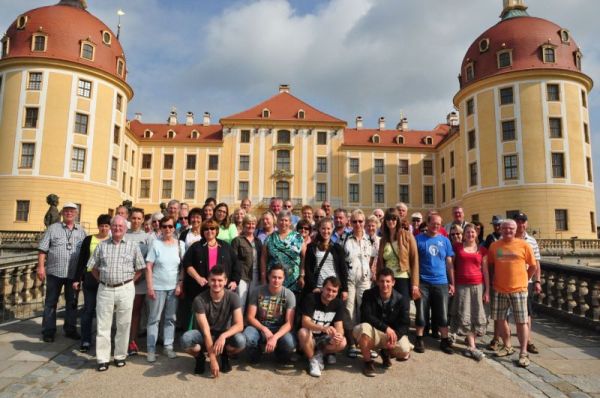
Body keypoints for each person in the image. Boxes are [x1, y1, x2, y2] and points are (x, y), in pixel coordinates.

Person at [87, 216, 146, 371]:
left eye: (120, 226)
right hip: (105, 288)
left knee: (124, 324)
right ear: (110, 228)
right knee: (103, 325)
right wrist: (101, 280)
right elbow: (92, 266)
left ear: (125, 229)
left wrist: (129, 283)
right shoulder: (101, 245)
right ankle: (102, 358)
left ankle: (120, 355)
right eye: (114, 226)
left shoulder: (133, 246)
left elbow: (140, 268)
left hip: (125, 288)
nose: (117, 228)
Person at [488, 219, 537, 368]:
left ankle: (523, 352)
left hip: (519, 290)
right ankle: (507, 346)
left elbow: (533, 266)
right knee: (501, 319)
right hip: (499, 288)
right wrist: (492, 281)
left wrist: (525, 279)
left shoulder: (524, 245)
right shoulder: (495, 246)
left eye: (510, 228)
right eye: (504, 228)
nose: (507, 231)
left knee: (521, 322)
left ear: (515, 230)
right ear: (500, 230)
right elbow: (490, 264)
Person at [180, 266, 246, 376]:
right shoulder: (199, 300)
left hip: (224, 334)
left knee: (241, 341)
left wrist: (223, 336)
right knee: (185, 340)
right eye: (213, 280)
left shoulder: (233, 297)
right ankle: (200, 357)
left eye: (220, 280)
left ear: (225, 281)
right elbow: (205, 331)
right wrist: (213, 359)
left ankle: (224, 354)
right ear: (208, 281)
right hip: (204, 334)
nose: (216, 283)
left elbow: (240, 325)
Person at [37, 202, 87, 343]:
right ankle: (48, 330)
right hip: (55, 272)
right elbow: (42, 250)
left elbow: (85, 252)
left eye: (72, 211)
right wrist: (41, 267)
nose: (69, 213)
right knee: (51, 302)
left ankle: (70, 329)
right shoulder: (53, 229)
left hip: (73, 274)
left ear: (76, 214)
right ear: (62, 213)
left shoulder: (82, 231)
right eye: (66, 211)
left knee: (72, 303)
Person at [354, 268, 413, 377]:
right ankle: (368, 362)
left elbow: (405, 324)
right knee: (363, 328)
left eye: (388, 281)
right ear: (377, 282)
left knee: (405, 350)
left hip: (390, 335)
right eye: (381, 281)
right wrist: (386, 328)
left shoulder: (402, 299)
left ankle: (385, 353)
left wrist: (395, 337)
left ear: (393, 282)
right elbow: (366, 316)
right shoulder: (368, 294)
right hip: (373, 332)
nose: (384, 284)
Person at [182, 219, 238, 331]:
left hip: (220, 287)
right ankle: (196, 338)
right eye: (206, 229)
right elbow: (187, 264)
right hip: (200, 288)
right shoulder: (196, 246)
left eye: (212, 228)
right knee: (199, 314)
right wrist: (197, 277)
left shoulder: (226, 246)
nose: (209, 231)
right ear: (203, 231)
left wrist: (234, 280)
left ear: (216, 231)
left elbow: (236, 264)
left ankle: (219, 337)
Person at [145, 216, 185, 362]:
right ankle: (151, 349)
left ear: (174, 228)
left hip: (173, 288)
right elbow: (148, 266)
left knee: (170, 319)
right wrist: (150, 287)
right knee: (154, 319)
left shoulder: (180, 245)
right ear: (160, 228)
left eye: (170, 226)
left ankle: (168, 346)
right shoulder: (155, 244)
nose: (167, 229)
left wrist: (180, 283)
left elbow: (182, 267)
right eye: (164, 226)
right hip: (157, 287)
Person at [414, 213, 455, 355]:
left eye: (439, 224)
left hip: (441, 282)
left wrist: (452, 282)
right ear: (428, 223)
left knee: (442, 314)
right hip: (423, 282)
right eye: (433, 223)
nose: (436, 226)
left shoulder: (445, 241)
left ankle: (444, 340)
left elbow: (449, 263)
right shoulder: (418, 239)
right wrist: (415, 283)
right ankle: (419, 339)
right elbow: (415, 262)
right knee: (421, 312)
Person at [450, 223, 489, 361]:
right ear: (463, 234)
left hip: (478, 285)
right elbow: (451, 266)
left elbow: (485, 270)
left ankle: (471, 344)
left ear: (476, 234)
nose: (470, 234)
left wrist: (487, 291)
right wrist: (452, 284)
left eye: (472, 232)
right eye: (467, 232)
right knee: (465, 312)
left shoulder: (482, 250)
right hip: (461, 285)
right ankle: (471, 345)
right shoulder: (457, 247)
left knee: (475, 313)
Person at [72, 214, 111, 352]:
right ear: (98, 226)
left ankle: (103, 341)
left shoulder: (112, 240)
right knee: (88, 310)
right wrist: (77, 279)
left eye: (106, 226)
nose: (104, 229)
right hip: (90, 277)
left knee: (104, 312)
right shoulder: (89, 239)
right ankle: (86, 340)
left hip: (106, 279)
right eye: (102, 226)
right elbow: (82, 260)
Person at [243, 265, 296, 363]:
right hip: (260, 328)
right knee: (248, 335)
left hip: (279, 329)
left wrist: (275, 337)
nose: (276, 280)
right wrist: (264, 329)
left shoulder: (289, 295)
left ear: (284, 279)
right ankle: (256, 353)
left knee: (289, 342)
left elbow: (289, 323)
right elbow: (250, 317)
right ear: (268, 277)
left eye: (279, 278)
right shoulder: (257, 291)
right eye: (274, 277)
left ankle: (279, 352)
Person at [376, 208, 419, 325]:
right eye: (388, 218)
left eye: (394, 218)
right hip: (387, 278)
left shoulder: (407, 236)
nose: (391, 221)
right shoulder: (383, 240)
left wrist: (415, 284)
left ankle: (403, 333)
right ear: (385, 221)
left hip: (402, 277)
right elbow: (380, 262)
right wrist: (377, 279)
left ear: (398, 220)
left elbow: (414, 260)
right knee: (389, 307)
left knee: (404, 307)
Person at [298, 276, 347, 377]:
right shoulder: (311, 298)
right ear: (322, 288)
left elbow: (339, 326)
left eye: (334, 291)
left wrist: (338, 335)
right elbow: (305, 322)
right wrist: (323, 328)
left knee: (342, 342)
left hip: (323, 339)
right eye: (328, 289)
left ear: (337, 293)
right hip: (310, 337)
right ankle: (313, 360)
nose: (330, 293)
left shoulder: (338, 304)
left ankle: (320, 354)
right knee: (303, 332)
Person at [344, 209, 376, 358]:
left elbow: (372, 259)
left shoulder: (370, 240)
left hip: (364, 280)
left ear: (364, 223)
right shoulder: (345, 239)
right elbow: (340, 261)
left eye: (360, 221)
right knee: (350, 310)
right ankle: (351, 343)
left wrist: (370, 272)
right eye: (355, 221)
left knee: (366, 309)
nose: (358, 224)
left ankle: (367, 342)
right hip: (349, 280)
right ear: (350, 223)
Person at [513, 212, 542, 355]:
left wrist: (537, 280)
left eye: (523, 221)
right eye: (518, 221)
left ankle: (528, 341)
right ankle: (502, 340)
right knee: (504, 313)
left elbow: (536, 263)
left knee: (527, 313)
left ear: (527, 223)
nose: (521, 224)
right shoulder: (507, 239)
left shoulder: (532, 241)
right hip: (509, 280)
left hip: (526, 282)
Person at [301, 218, 348, 297]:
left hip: (333, 288)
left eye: (328, 228)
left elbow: (342, 269)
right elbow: (308, 269)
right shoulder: (311, 247)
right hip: (317, 288)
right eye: (323, 228)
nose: (326, 231)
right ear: (319, 229)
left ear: (332, 229)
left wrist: (345, 289)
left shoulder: (337, 248)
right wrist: (313, 287)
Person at [125, 208, 150, 356]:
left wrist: (137, 277)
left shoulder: (147, 237)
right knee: (123, 312)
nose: (136, 221)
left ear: (142, 220)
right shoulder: (123, 234)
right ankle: (122, 340)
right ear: (129, 218)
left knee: (135, 311)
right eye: (133, 218)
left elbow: (148, 261)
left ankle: (132, 341)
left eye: (139, 218)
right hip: (124, 279)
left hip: (139, 281)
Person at [261, 210, 303, 293]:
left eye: (286, 220)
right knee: (274, 305)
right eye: (281, 220)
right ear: (277, 222)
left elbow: (304, 257)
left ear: (290, 222)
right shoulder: (270, 238)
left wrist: (302, 275)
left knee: (291, 304)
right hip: (274, 281)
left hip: (293, 280)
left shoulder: (298, 237)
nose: (283, 223)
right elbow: (263, 258)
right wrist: (263, 278)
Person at [231, 214, 262, 313]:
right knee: (241, 300)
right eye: (248, 224)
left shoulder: (258, 241)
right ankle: (238, 323)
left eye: (253, 224)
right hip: (242, 275)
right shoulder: (237, 240)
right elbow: (233, 260)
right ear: (243, 225)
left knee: (252, 301)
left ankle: (249, 323)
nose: (251, 226)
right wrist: (234, 278)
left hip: (256, 274)